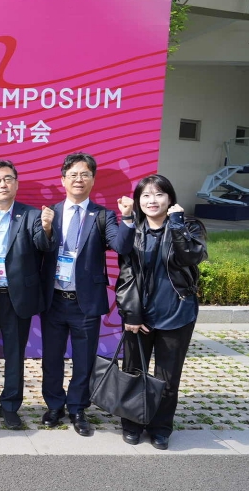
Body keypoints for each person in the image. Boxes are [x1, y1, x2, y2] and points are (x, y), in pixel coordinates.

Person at [40, 152, 135, 436]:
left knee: (84, 360)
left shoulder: (103, 216)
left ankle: (78, 409)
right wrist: (45, 229)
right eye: (73, 175)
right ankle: (54, 405)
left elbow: (121, 246)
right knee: (52, 359)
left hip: (86, 303)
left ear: (93, 180)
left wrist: (128, 218)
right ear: (63, 180)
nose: (78, 179)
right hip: (54, 300)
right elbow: (38, 249)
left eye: (84, 174)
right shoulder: (49, 213)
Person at [115, 174, 207, 450]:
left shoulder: (188, 226)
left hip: (176, 314)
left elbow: (190, 257)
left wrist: (176, 224)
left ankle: (161, 427)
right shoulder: (134, 230)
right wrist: (131, 313)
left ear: (170, 198)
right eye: (145, 195)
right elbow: (126, 275)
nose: (152, 200)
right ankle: (132, 423)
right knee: (134, 371)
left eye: (158, 194)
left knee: (167, 377)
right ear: (138, 200)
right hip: (140, 316)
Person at [0, 160, 55, 429]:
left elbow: (43, 246)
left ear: (16, 184)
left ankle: (10, 406)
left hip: (18, 297)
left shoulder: (32, 215)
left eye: (8, 179)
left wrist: (47, 228)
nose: (3, 184)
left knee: (15, 355)